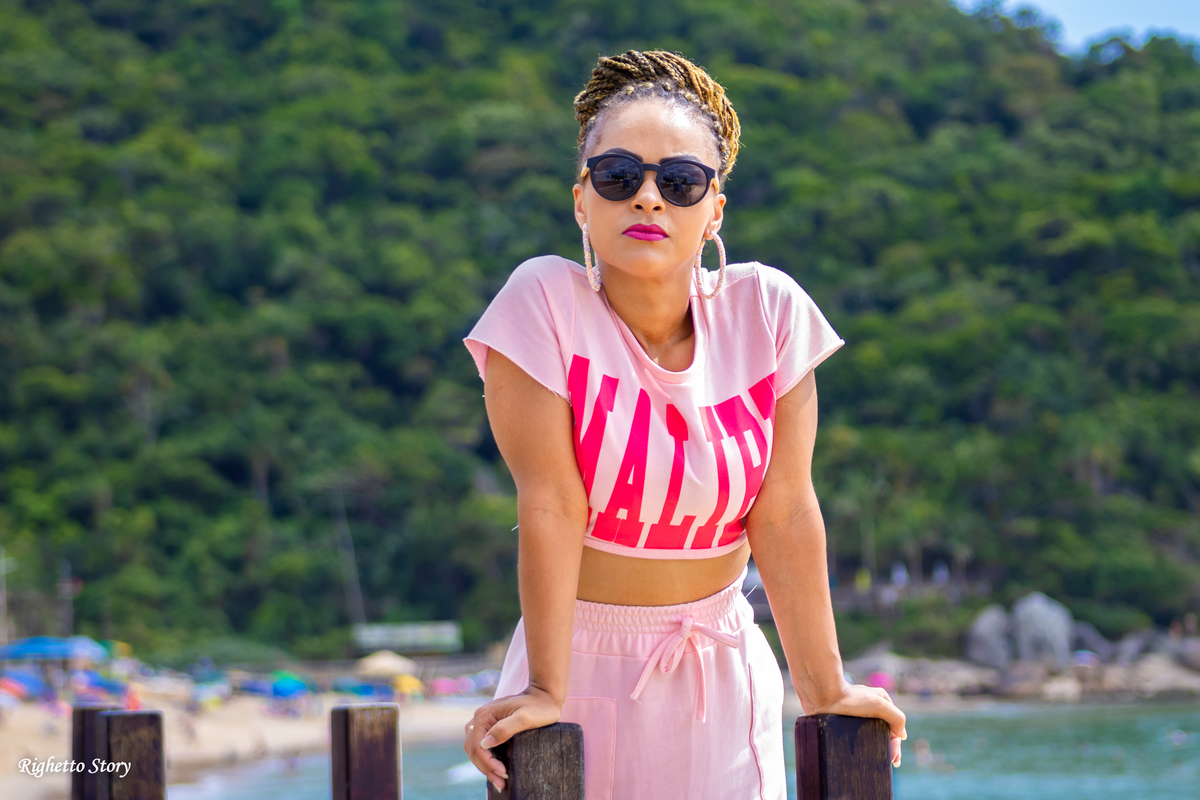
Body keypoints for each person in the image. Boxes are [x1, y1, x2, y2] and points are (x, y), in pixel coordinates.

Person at [461, 49, 906, 799]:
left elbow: (785, 510)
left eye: (679, 182)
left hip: (723, 667)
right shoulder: (542, 302)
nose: (647, 199)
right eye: (618, 176)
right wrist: (543, 689)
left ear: (714, 211)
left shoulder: (768, 311)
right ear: (582, 200)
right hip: (577, 664)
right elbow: (552, 504)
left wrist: (826, 689)